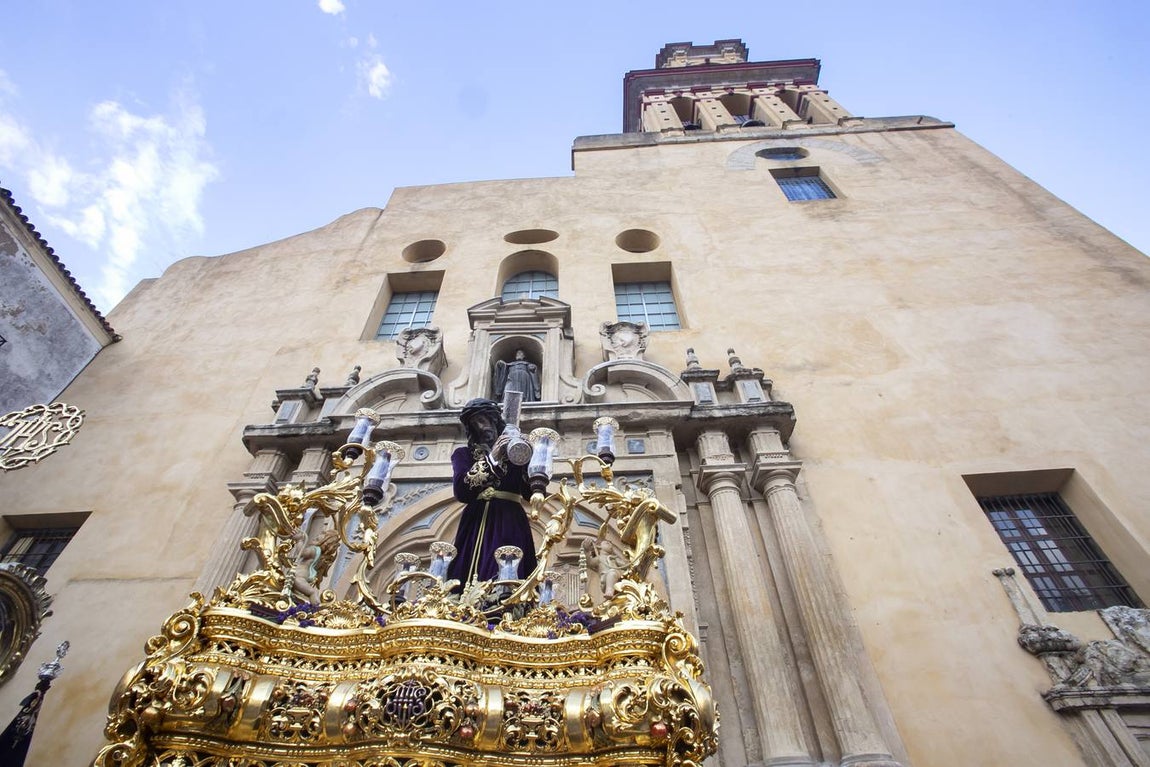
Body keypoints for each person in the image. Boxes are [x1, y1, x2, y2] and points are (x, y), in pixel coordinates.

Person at [447, 398, 538, 587]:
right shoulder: (463, 455)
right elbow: (462, 491)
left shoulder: (515, 451)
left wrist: (530, 459)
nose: (482, 426)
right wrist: (493, 457)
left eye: (485, 419)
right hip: (477, 520)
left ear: (496, 419)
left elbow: (531, 492)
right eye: (476, 422)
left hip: (510, 520)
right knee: (470, 571)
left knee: (509, 567)